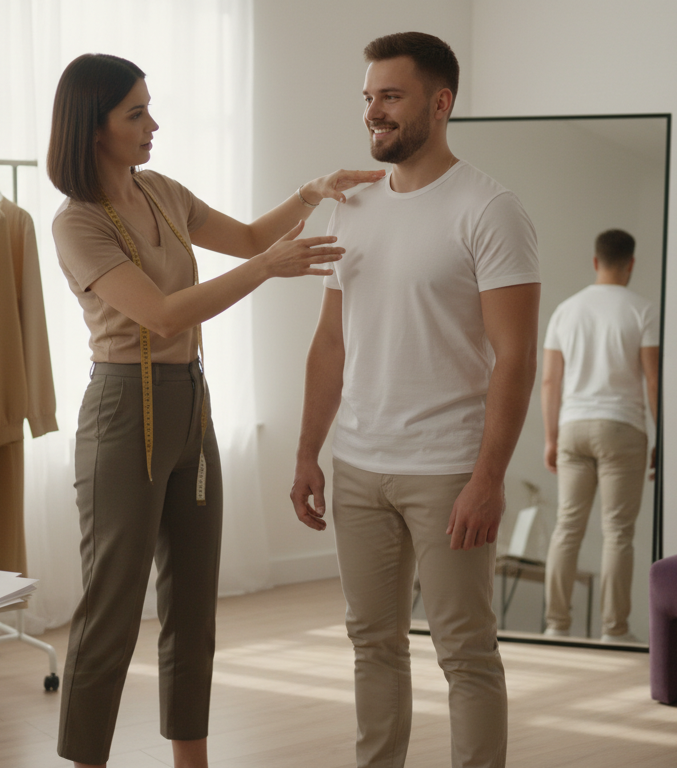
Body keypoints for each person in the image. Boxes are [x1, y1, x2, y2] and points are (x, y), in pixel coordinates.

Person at [48, 53, 382, 768]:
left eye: (149, 107)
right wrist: (264, 272)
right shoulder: (77, 224)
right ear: (92, 128)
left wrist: (311, 192)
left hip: (190, 405)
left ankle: (191, 762)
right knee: (111, 610)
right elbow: (163, 316)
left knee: (194, 606)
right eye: (135, 113)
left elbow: (253, 240)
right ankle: (85, 761)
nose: (152, 124)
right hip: (120, 411)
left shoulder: (161, 191)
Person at [290, 32, 540, 768]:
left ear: (440, 102)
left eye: (391, 97)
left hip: (448, 470)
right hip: (360, 464)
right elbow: (330, 344)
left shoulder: (490, 209)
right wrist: (309, 451)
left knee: (464, 654)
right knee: (373, 646)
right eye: (369, 99)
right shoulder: (353, 204)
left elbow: (517, 357)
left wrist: (489, 478)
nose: (374, 113)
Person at [540, 228, 659, 644]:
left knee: (567, 527)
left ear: (595, 262)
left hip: (573, 427)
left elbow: (550, 383)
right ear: (630, 264)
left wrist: (551, 438)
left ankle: (556, 625)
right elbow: (653, 380)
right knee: (617, 532)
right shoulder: (642, 311)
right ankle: (615, 630)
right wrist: (660, 436)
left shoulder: (565, 311)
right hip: (622, 429)